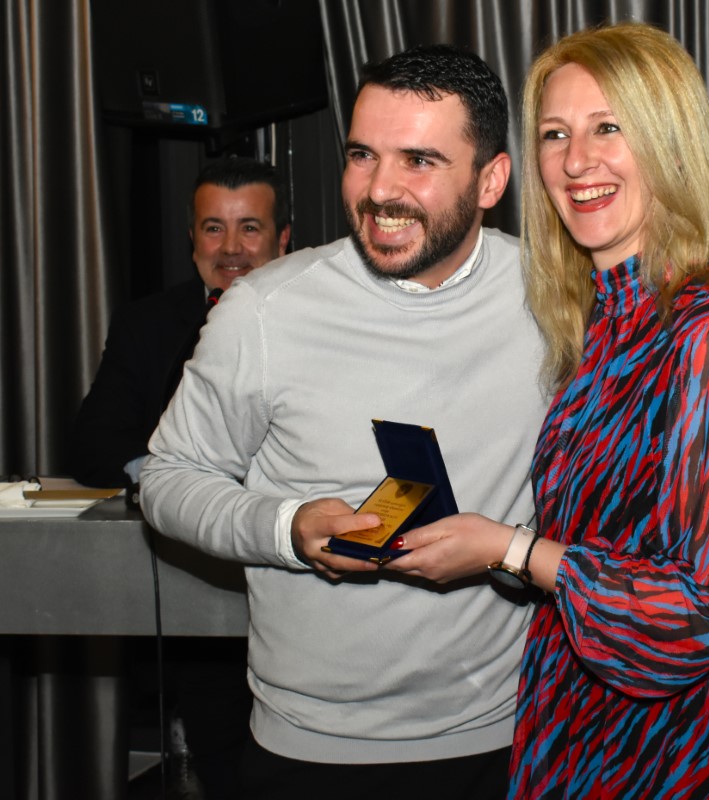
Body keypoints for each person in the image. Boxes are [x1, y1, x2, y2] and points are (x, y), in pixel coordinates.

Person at [386, 22, 709, 798]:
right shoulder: (604, 322)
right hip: (590, 728)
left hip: (695, 749)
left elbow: (702, 608)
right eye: (555, 134)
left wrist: (514, 550)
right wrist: (490, 545)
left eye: (608, 128)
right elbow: (607, 539)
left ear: (671, 144)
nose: (576, 161)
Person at [140, 44, 547, 799]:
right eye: (363, 155)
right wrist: (286, 527)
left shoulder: (554, 299)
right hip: (310, 750)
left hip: (510, 739)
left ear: (491, 180)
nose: (380, 190)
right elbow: (167, 480)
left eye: (418, 160)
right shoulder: (265, 310)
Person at [70, 156, 291, 490]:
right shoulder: (143, 325)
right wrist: (172, 480)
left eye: (249, 228)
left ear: (282, 239)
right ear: (193, 239)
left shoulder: (317, 322)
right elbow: (93, 447)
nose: (231, 247)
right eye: (214, 228)